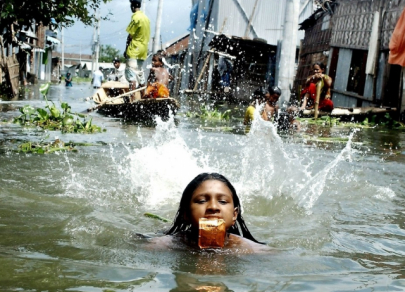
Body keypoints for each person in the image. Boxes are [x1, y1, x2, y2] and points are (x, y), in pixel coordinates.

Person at [150, 173, 269, 254]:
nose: (213, 207)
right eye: (202, 201)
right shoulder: (165, 245)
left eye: (222, 201)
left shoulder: (250, 250)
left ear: (234, 215)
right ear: (186, 214)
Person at [124, 0, 150, 92]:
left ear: (132, 6)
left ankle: (132, 99)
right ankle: (144, 96)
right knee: (140, 74)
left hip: (134, 49)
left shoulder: (135, 18)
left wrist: (126, 49)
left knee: (131, 75)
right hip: (143, 50)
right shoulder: (146, 18)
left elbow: (130, 36)